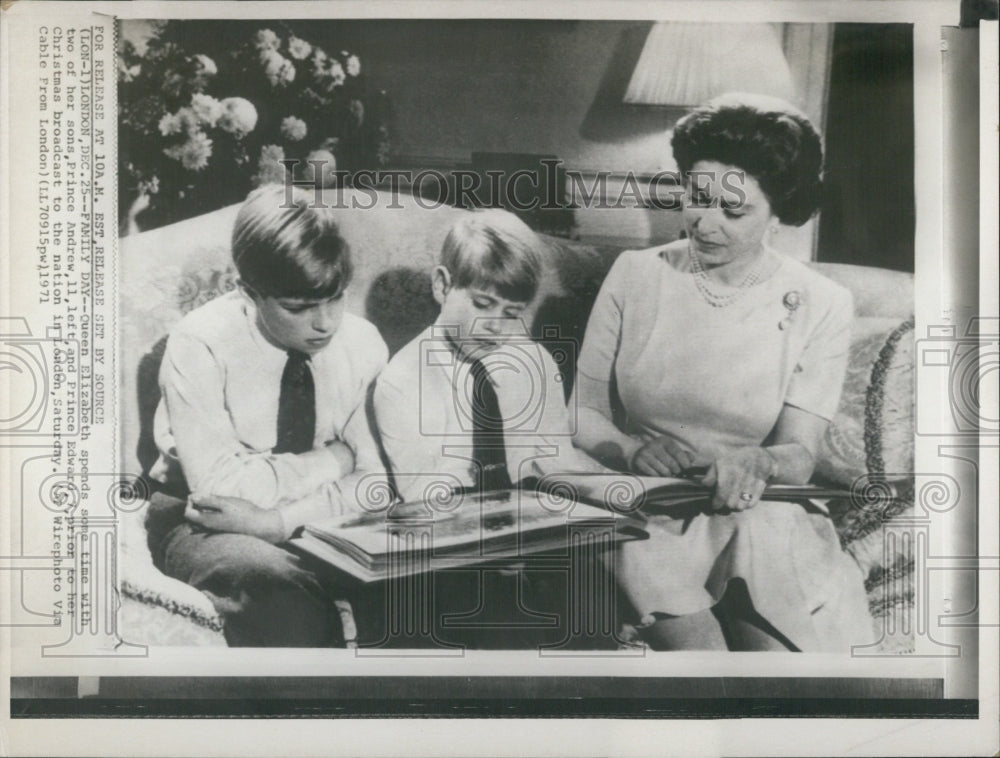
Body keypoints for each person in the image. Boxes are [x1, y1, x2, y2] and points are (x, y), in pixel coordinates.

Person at [570, 93, 874, 652]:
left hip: (758, 509)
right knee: (698, 656)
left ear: (778, 210)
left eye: (733, 212)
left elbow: (799, 455)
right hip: (647, 509)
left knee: (777, 662)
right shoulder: (634, 274)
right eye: (697, 198)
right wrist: (628, 451)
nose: (704, 224)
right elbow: (584, 414)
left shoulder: (822, 301)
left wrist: (758, 460)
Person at [145, 184, 389, 646]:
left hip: (323, 521)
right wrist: (337, 460)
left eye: (335, 298)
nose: (325, 323)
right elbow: (218, 493)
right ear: (249, 292)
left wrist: (275, 521)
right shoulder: (199, 343)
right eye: (298, 308)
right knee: (273, 586)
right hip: (196, 520)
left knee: (415, 579)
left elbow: (378, 482)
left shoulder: (363, 344)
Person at [373, 208, 604, 502]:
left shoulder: (535, 361)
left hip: (534, 515)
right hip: (453, 527)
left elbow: (558, 459)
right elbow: (422, 495)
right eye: (482, 304)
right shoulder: (402, 380)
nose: (495, 326)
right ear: (442, 286)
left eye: (511, 313)